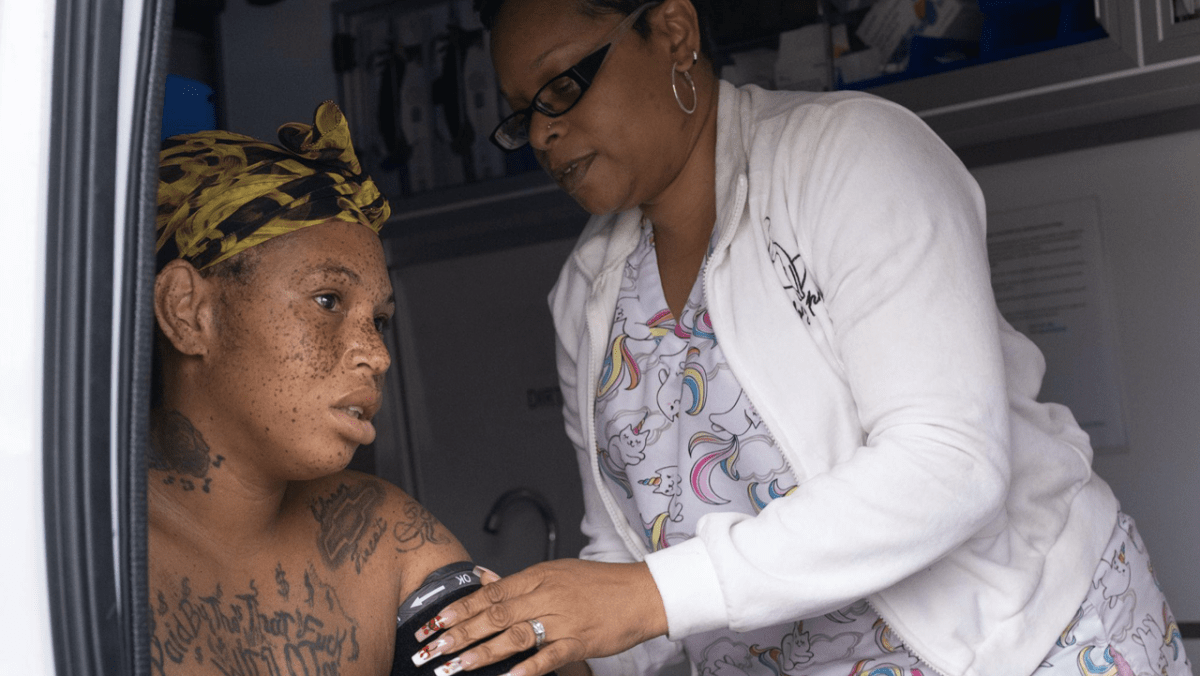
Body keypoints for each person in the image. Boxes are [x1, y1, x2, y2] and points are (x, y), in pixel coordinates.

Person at [404, 2, 1194, 676]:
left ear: (675, 31)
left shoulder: (851, 157)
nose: (544, 132)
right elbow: (626, 565)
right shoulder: (587, 294)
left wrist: (648, 596)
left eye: (563, 85)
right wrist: (549, 640)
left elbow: (949, 462)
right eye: (521, 113)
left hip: (1029, 648)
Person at [148, 101, 482, 676]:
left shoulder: (385, 540)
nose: (377, 356)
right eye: (327, 300)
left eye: (379, 320)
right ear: (189, 312)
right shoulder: (68, 548)